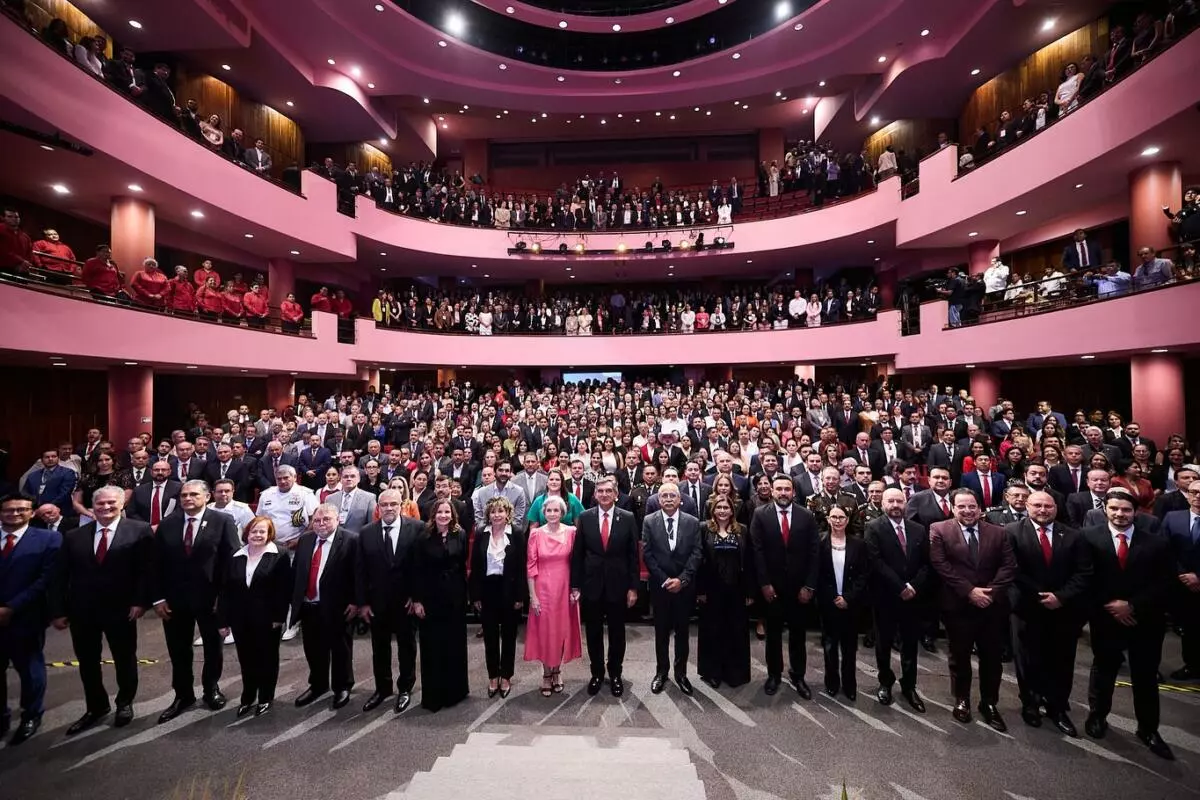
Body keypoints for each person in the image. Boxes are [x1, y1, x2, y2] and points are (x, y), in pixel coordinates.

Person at [50, 485, 153, 735]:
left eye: (111, 503)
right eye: (100, 504)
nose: (106, 507)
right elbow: (60, 576)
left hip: (122, 609)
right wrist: (58, 610)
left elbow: (147, 571)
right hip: (82, 610)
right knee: (87, 662)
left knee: (124, 658)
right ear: (92, 507)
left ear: (122, 504)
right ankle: (96, 707)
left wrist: (140, 602)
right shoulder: (74, 536)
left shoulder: (139, 530)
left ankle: (124, 702)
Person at [1082, 491, 1175, 759]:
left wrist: (1132, 605)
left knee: (1145, 676)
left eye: (1125, 510)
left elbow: (1165, 582)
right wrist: (1112, 605)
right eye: (1114, 509)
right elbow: (1085, 577)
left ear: (1136, 512)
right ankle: (1097, 716)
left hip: (1145, 620)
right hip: (1105, 618)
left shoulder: (1156, 543)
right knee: (1104, 671)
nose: (1120, 514)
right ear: (1105, 510)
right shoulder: (1088, 537)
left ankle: (1148, 729)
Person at [150, 481, 240, 724]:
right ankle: (183, 695)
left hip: (211, 600)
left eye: (193, 494)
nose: (187, 498)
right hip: (175, 601)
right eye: (184, 495)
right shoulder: (167, 524)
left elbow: (232, 561)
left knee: (213, 648)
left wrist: (224, 599)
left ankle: (211, 688)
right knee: (178, 650)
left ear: (207, 496)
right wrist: (158, 598)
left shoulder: (223, 521)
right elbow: (155, 564)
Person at [1005, 490, 1091, 736]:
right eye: (1037, 505)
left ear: (1056, 508)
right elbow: (1012, 569)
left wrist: (1061, 596)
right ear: (1027, 506)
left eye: (1048, 506)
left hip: (1063, 609)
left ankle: (1057, 708)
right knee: (1027, 660)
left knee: (1061, 661)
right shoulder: (1011, 532)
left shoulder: (1074, 535)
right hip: (1026, 607)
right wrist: (1041, 595)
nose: (1043, 510)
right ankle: (1030, 703)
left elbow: (1084, 572)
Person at [929, 488, 1016, 730]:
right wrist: (970, 591)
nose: (967, 511)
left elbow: (1009, 566)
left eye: (972, 506)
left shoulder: (999, 533)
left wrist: (990, 592)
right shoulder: (939, 529)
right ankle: (962, 699)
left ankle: (989, 703)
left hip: (992, 606)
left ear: (980, 508)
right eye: (961, 506)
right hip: (958, 605)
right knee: (959, 656)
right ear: (952, 508)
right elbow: (940, 564)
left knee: (992, 659)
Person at [0, 493, 62, 746]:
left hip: (26, 616)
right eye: (9, 510)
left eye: (21, 509)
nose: (15, 514)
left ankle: (31, 714)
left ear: (32, 512)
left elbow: (46, 579)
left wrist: (11, 607)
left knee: (30, 671)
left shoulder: (49, 539)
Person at [750, 475, 820, 698]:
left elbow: (814, 553)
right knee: (773, 635)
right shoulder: (760, 514)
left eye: (787, 489)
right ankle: (774, 675)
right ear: (772, 491)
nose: (782, 493)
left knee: (798, 635)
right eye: (778, 488)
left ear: (793, 492)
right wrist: (764, 583)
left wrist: (809, 586)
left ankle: (798, 675)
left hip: (799, 589)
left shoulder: (806, 515)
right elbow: (756, 551)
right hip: (772, 589)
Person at [218, 516, 292, 718]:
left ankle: (266, 697)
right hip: (240, 619)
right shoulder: (235, 555)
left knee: (267, 659)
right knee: (246, 659)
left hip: (268, 619)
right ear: (247, 533)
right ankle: (248, 697)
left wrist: (279, 617)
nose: (257, 535)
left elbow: (283, 590)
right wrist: (223, 621)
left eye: (262, 531)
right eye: (254, 531)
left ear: (269, 534)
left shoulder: (280, 555)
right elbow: (225, 591)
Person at [570, 476, 638, 697]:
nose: (604, 494)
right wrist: (575, 585)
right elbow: (578, 554)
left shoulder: (627, 517)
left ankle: (615, 673)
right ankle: (597, 673)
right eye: (600, 491)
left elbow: (633, 556)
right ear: (595, 495)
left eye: (609, 491)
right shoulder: (585, 517)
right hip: (592, 585)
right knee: (593, 632)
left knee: (617, 633)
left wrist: (633, 587)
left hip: (619, 585)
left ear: (616, 494)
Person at [355, 489, 422, 713]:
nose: (389, 508)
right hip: (377, 603)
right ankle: (382, 689)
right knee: (379, 648)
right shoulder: (366, 533)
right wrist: (363, 603)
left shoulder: (417, 528)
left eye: (393, 504)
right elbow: (360, 571)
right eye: (384, 505)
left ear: (401, 505)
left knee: (407, 647)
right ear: (378, 508)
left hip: (406, 602)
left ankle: (405, 688)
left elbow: (421, 567)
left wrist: (416, 597)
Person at [865, 488, 930, 711]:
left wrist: (913, 586)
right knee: (883, 643)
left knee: (910, 644)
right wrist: (900, 587)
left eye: (899, 501)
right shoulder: (873, 527)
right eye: (890, 501)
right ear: (882, 503)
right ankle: (885, 682)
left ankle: (909, 686)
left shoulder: (918, 529)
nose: (895, 505)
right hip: (885, 596)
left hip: (913, 597)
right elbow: (875, 561)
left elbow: (926, 563)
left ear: (906, 503)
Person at [292, 504, 359, 711]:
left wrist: (356, 601)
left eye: (326, 519)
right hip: (309, 605)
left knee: (340, 649)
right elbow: (297, 570)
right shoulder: (305, 540)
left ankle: (342, 686)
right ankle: (318, 685)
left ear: (338, 519)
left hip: (338, 606)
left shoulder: (351, 540)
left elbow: (359, 574)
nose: (321, 524)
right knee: (313, 649)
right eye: (317, 520)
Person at [642, 482, 703, 695]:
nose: (668, 499)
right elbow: (647, 554)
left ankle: (681, 673)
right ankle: (661, 672)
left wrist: (682, 580)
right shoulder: (649, 521)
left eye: (672, 496)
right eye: (664, 496)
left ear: (680, 500)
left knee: (682, 632)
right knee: (661, 632)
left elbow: (697, 553)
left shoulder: (692, 522)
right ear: (658, 500)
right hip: (660, 587)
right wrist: (665, 580)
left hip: (684, 588)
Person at [411, 498, 470, 711]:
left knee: (454, 645)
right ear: (433, 515)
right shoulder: (423, 537)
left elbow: (462, 564)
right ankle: (434, 695)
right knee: (432, 647)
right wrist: (417, 600)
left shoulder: (460, 534)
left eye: (447, 512)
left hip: (454, 598)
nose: (443, 516)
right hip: (431, 597)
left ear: (452, 515)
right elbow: (417, 570)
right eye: (440, 512)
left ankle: (455, 692)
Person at [469, 497, 527, 699]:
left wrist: (520, 596)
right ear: (488, 515)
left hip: (509, 589)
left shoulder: (516, 534)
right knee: (490, 637)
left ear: (507, 513)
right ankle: (493, 676)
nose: (496, 515)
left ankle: (506, 676)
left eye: (500, 511)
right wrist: (475, 595)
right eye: (493, 512)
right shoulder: (481, 533)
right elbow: (475, 567)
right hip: (487, 590)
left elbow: (522, 567)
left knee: (509, 636)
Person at [524, 495, 582, 697]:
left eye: (556, 510)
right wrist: (533, 595)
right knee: (545, 632)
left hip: (565, 588)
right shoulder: (535, 534)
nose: (552, 514)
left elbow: (577, 562)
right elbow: (531, 566)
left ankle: (557, 670)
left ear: (562, 513)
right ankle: (546, 673)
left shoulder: (572, 532)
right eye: (548, 510)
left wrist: (576, 588)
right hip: (542, 589)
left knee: (561, 631)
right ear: (543, 513)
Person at [696, 495, 751, 688]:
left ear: (732, 510)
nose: (722, 511)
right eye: (718, 507)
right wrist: (700, 590)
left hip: (736, 590)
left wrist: (749, 592)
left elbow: (749, 561)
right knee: (713, 631)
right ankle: (713, 672)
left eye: (726, 507)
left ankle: (734, 673)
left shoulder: (742, 530)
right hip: (712, 590)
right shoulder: (704, 529)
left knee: (735, 631)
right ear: (713, 510)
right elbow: (699, 561)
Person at [817, 504, 869, 700]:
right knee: (830, 645)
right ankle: (831, 681)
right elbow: (817, 573)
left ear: (847, 520)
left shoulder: (858, 544)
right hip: (828, 602)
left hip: (851, 603)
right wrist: (833, 597)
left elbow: (863, 575)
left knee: (849, 647)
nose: (837, 521)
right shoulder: (819, 541)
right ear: (828, 519)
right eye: (833, 517)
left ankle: (849, 684)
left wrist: (848, 597)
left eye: (841, 517)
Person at [1159, 486, 1200, 680]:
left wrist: (1198, 576)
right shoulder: (1172, 518)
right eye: (1194, 492)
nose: (1198, 496)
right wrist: (1184, 574)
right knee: (1190, 628)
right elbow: (1164, 550)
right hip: (1180, 584)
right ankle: (1192, 665)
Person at [23, 450, 76, 517]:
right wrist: (33, 507)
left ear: (58, 458)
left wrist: (45, 509)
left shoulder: (68, 473)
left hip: (60, 513)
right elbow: (26, 493)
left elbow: (64, 494)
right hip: (36, 513)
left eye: (53, 456)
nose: (50, 459)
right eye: (47, 457)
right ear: (42, 460)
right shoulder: (33, 476)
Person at [326, 465, 377, 532]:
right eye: (345, 476)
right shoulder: (330, 499)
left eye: (352, 476)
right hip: (336, 537)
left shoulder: (369, 498)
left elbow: (372, 525)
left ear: (358, 479)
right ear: (340, 479)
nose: (349, 479)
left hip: (358, 537)